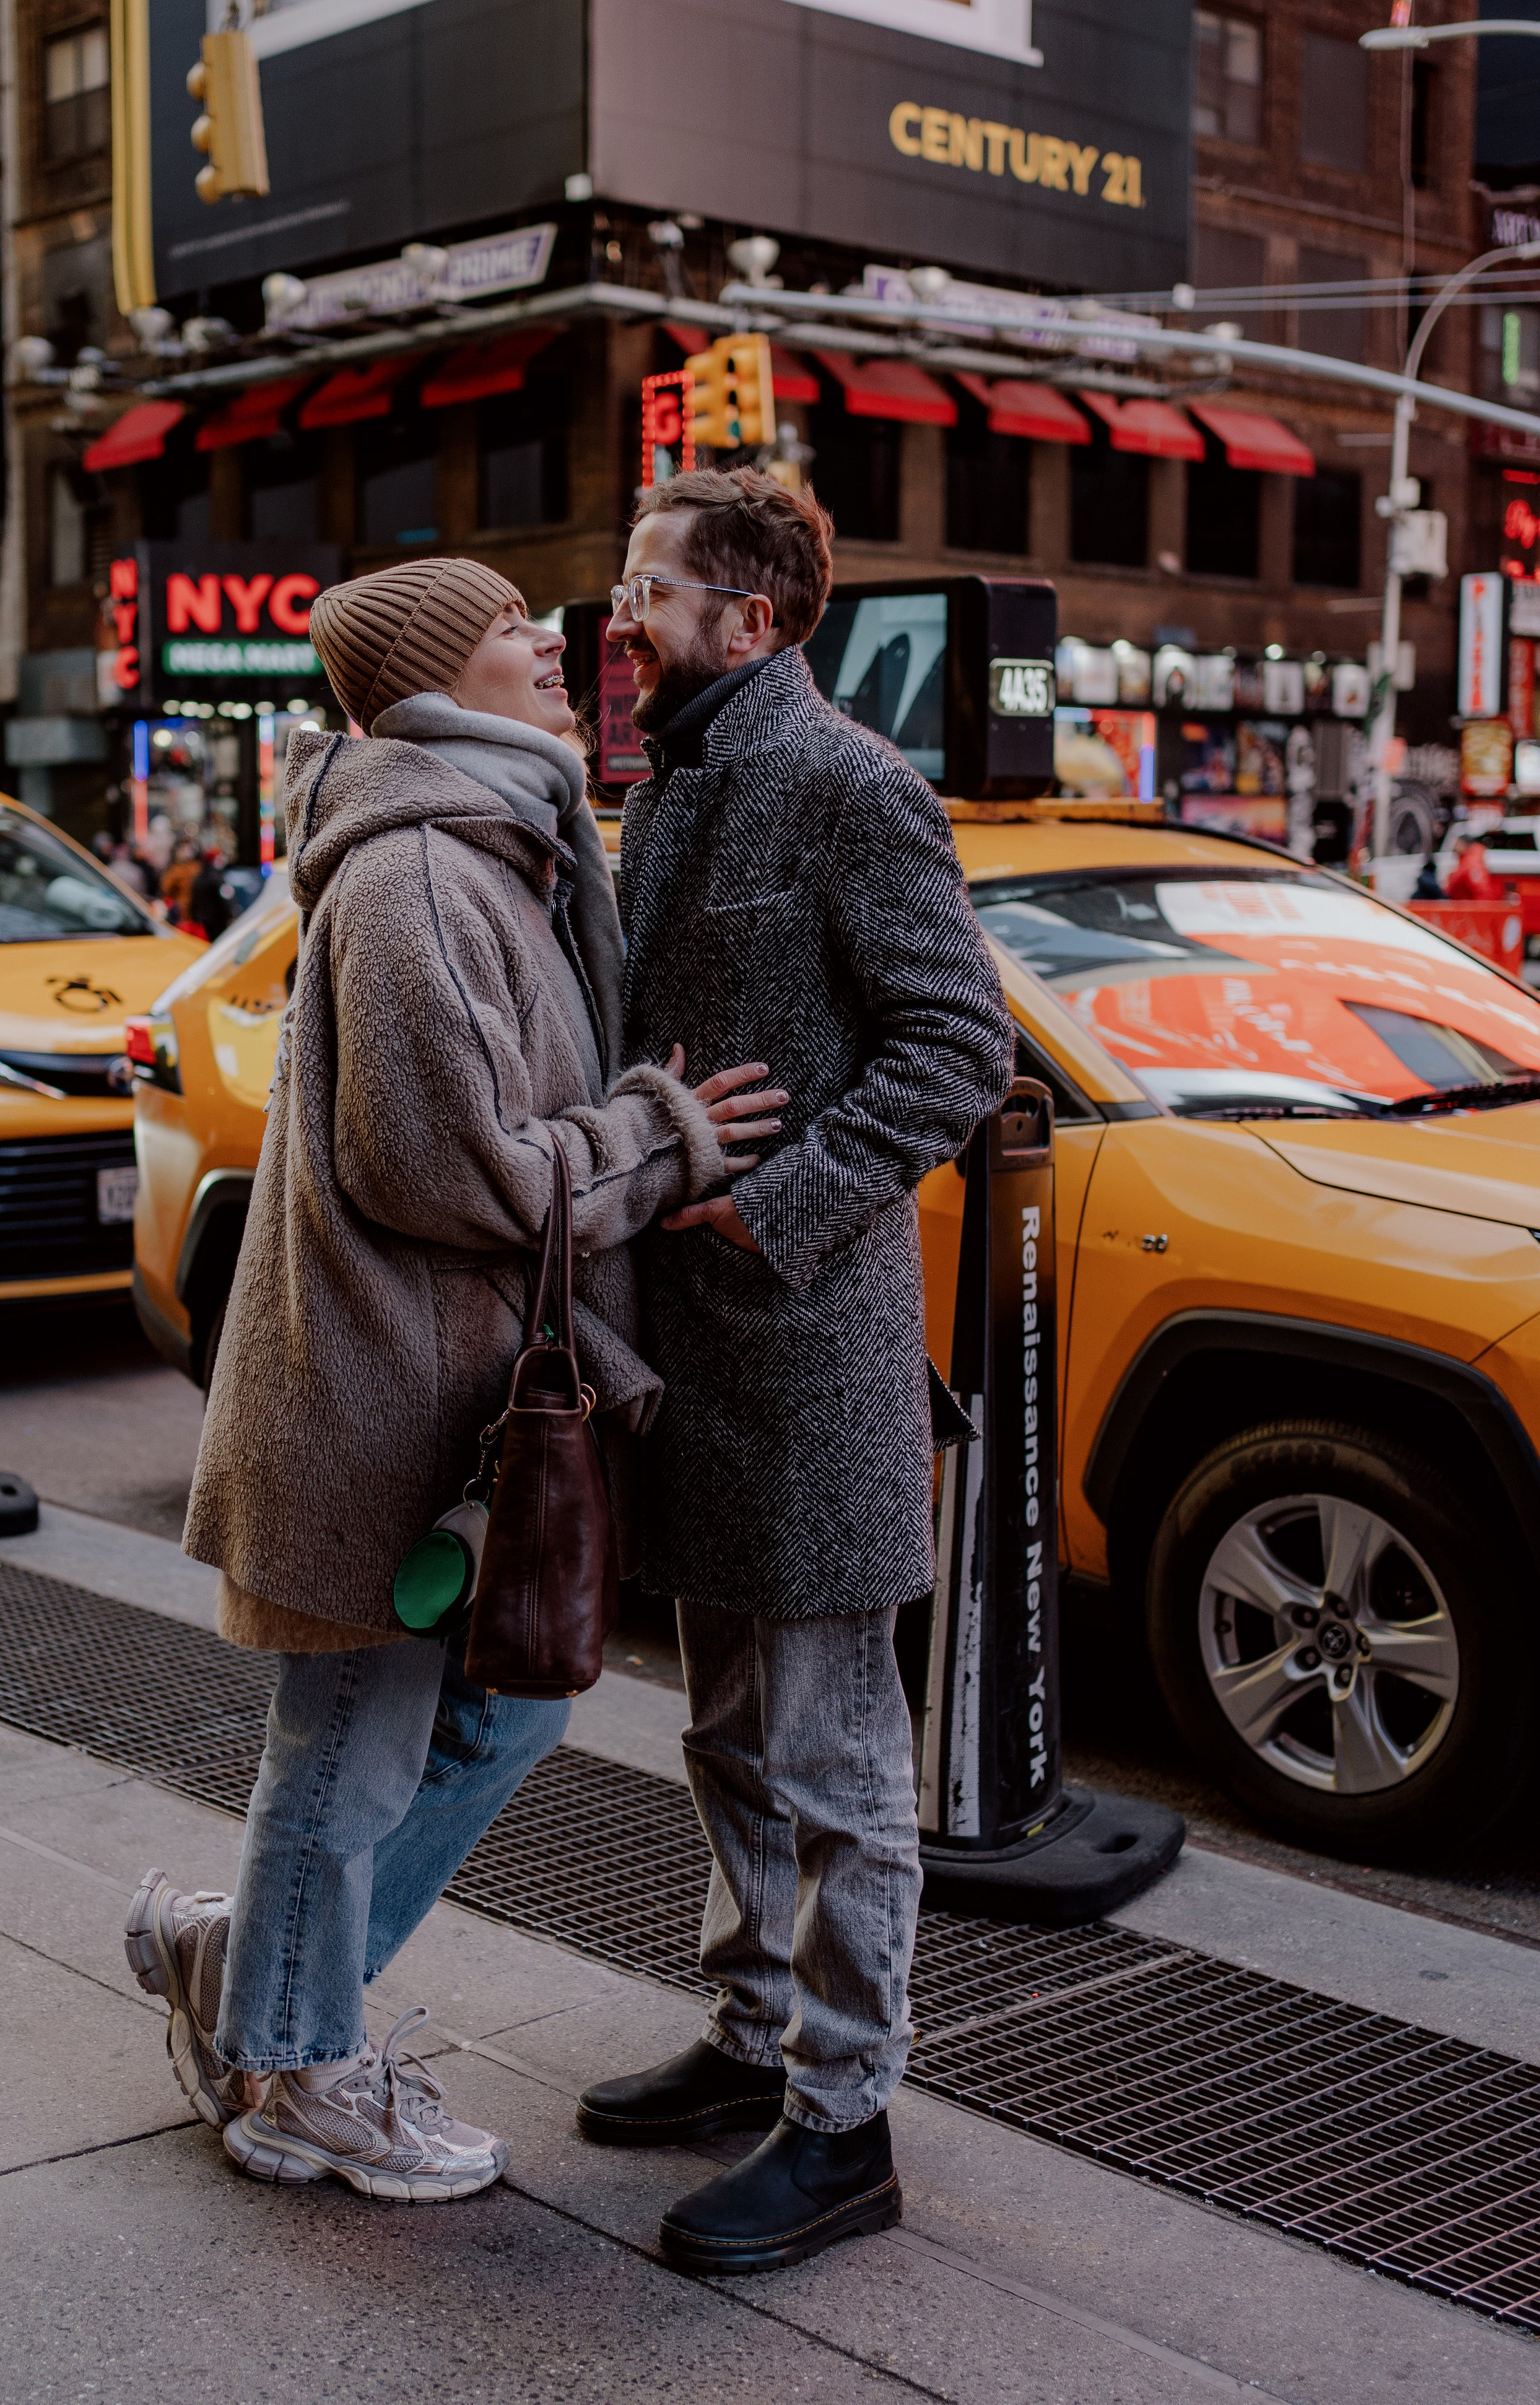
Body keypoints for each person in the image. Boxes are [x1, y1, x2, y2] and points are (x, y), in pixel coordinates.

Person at [124, 556, 782, 2205]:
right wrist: (657, 1129)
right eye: (513, 635)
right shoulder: (422, 869)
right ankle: (293, 2074)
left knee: (484, 1711)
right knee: (352, 1744)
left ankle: (262, 1972)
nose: (556, 654)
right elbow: (449, 1167)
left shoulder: (495, 842)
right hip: (383, 1402)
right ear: (431, 680)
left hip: (422, 1390)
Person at [576, 469, 1014, 2276]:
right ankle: (747, 2029)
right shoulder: (668, 775)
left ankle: (842, 2121)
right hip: (689, 1359)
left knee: (834, 1759)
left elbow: (958, 1044)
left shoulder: (846, 784)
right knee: (722, 1736)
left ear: (748, 618)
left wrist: (781, 1206)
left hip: (807, 1350)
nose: (618, 612)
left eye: (648, 588)